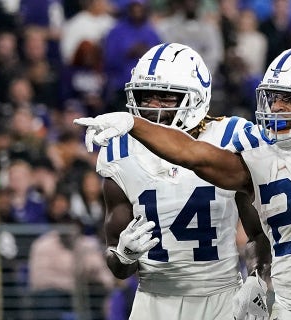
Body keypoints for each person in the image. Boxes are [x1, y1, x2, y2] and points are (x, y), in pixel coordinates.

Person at [75, 46, 291, 320]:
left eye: (289, 100)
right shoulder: (257, 148)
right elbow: (193, 155)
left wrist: (257, 275)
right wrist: (124, 256)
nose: (275, 108)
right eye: (273, 97)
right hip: (174, 298)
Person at [79, 43, 271, 320]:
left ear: (196, 98)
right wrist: (123, 256)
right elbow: (116, 263)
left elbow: (258, 233)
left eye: (165, 98)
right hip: (153, 301)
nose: (152, 107)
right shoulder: (118, 149)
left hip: (221, 298)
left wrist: (256, 277)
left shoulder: (230, 137)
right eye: (145, 97)